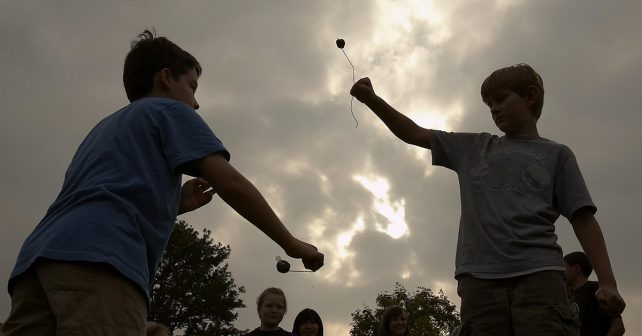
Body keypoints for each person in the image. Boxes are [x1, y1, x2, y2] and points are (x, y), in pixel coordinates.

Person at [1, 29, 323, 336]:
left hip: (36, 262)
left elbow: (108, 196)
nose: (196, 103)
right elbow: (231, 183)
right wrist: (291, 244)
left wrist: (177, 204)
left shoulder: (103, 128)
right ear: (166, 78)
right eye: (192, 87)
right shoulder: (169, 110)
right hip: (103, 262)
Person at [350, 63, 625, 335]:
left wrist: (608, 282)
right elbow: (413, 133)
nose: (493, 108)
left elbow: (583, 218)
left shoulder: (558, 155)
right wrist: (373, 100)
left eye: (501, 99)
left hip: (540, 276)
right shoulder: (473, 147)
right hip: (479, 282)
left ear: (530, 96)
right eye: (489, 103)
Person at [565, 251, 625, 335]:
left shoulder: (595, 290)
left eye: (564, 268)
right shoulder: (569, 298)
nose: (561, 273)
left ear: (576, 269)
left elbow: (618, 327)